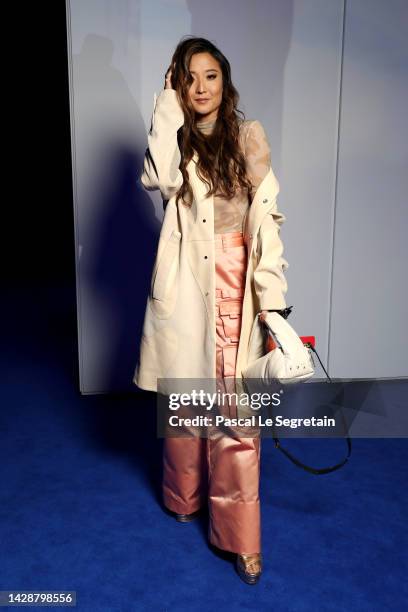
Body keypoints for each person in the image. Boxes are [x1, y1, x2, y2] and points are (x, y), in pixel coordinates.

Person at [134, 36, 290, 584]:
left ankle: (242, 538)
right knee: (187, 405)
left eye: (210, 76)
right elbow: (158, 176)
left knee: (237, 418)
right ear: (178, 84)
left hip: (239, 285)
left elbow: (266, 226)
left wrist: (273, 307)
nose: (200, 88)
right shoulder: (173, 146)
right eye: (188, 78)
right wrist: (165, 103)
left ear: (226, 81)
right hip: (189, 286)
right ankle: (185, 495)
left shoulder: (250, 138)